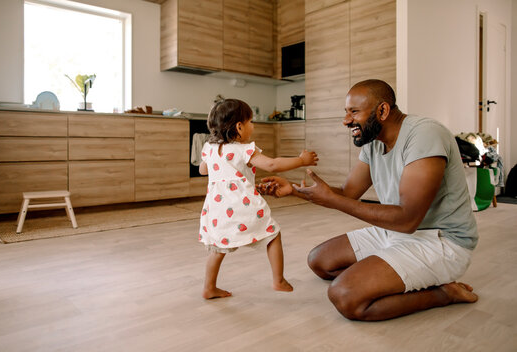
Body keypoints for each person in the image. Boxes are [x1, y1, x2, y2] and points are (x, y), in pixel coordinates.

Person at [261, 79, 479, 321]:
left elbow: (407, 219)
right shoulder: (373, 142)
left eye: (354, 112)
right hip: (394, 231)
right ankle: (392, 271)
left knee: (346, 296)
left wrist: (333, 201)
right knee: (320, 262)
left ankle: (444, 294)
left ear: (383, 111)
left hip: (441, 241)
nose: (346, 120)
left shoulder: (424, 134)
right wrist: (292, 190)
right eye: (346, 112)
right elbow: (347, 193)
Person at [199, 98, 319, 299]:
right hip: (242, 207)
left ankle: (209, 288)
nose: (252, 126)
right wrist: (301, 160)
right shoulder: (243, 149)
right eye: (251, 122)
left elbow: (204, 170)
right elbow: (272, 165)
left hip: (218, 209)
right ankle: (278, 280)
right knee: (272, 234)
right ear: (239, 127)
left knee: (218, 248)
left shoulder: (209, 149)